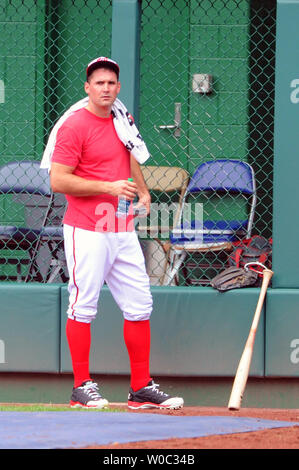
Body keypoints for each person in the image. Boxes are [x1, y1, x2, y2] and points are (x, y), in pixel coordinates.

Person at [49, 56, 184, 410]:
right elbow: (58, 179)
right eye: (99, 83)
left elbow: (129, 158)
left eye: (111, 83)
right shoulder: (74, 126)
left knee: (140, 304)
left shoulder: (122, 119)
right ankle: (81, 386)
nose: (106, 88)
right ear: (87, 88)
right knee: (83, 306)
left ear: (118, 87)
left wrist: (142, 191)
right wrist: (109, 188)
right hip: (85, 227)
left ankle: (140, 387)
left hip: (120, 226)